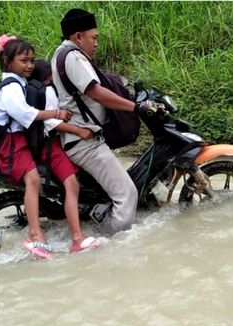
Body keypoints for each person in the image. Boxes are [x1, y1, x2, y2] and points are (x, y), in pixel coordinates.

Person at [0, 34, 98, 257]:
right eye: (24, 60)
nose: (29, 65)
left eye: (32, 60)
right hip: (12, 143)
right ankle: (38, 235)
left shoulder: (21, 85)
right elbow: (25, 115)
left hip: (20, 141)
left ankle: (46, 234)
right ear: (7, 61)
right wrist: (58, 113)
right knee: (33, 180)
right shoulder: (10, 87)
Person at [51, 9, 152, 235]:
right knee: (127, 194)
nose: (96, 43)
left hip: (83, 139)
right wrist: (136, 107)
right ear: (78, 36)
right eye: (94, 37)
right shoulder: (73, 57)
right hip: (85, 143)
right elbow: (96, 92)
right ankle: (113, 248)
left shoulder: (63, 53)